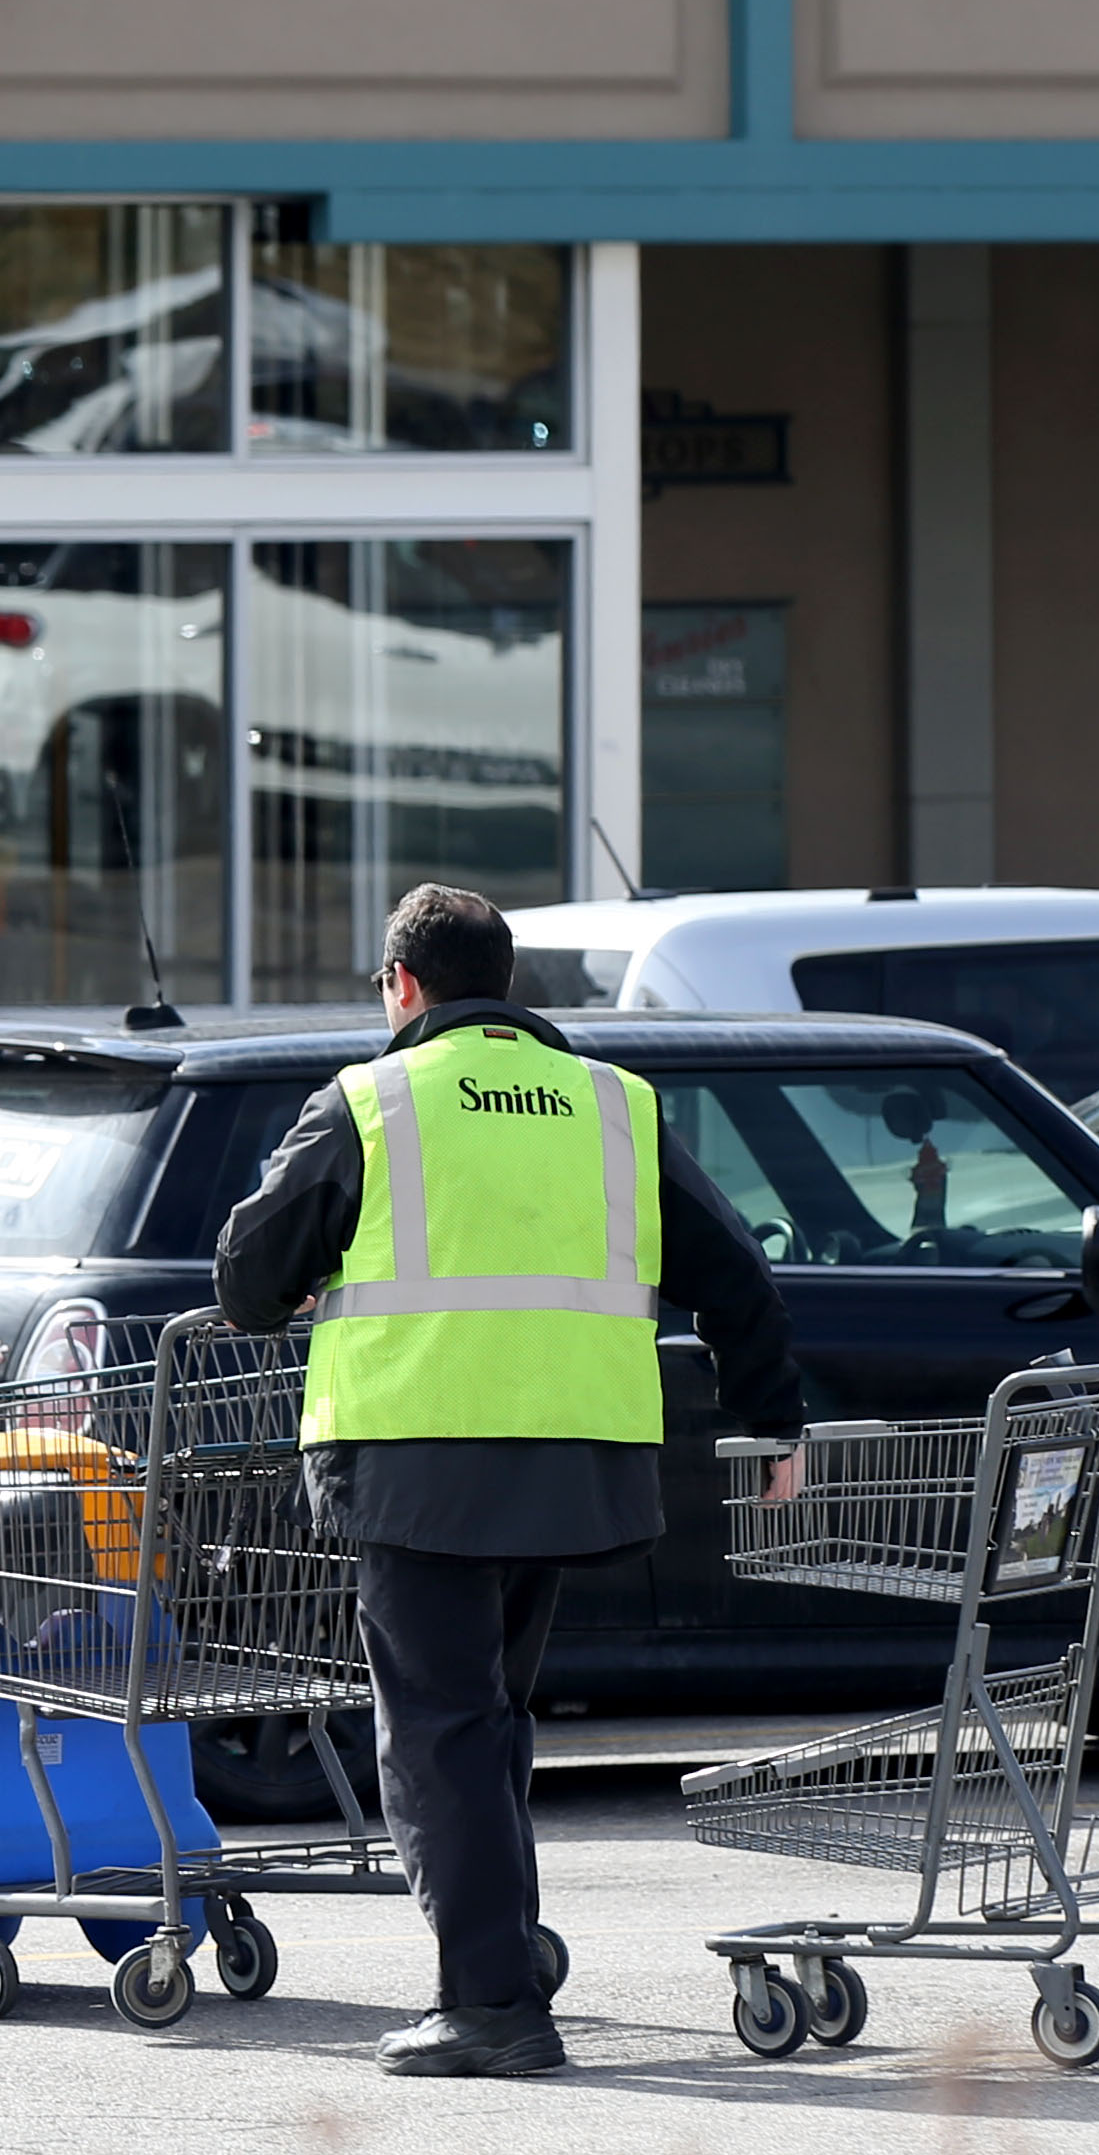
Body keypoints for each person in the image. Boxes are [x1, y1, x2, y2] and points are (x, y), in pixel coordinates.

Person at [216, 881, 806, 2079]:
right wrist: (773, 1416)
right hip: (573, 1461)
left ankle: (488, 2005)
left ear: (400, 985)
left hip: (417, 1460)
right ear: (509, 984)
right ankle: (506, 1956)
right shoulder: (611, 1102)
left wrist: (294, 1286)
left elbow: (243, 1275)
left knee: (436, 1732)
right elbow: (731, 1265)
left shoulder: (371, 1101)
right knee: (489, 1725)